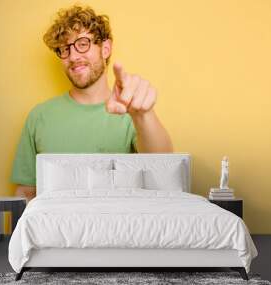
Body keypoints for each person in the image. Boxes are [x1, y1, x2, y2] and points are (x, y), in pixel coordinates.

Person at [10, 5, 173, 202]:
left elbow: (165, 170)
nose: (73, 57)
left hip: (118, 228)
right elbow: (26, 193)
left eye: (82, 44)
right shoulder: (39, 116)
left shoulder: (131, 111)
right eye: (64, 49)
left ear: (105, 49)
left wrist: (143, 115)